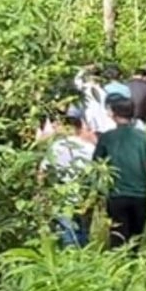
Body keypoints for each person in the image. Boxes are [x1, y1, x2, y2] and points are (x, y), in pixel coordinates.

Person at [92, 94, 146, 251]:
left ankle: (118, 272)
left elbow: (96, 167)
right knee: (135, 242)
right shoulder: (144, 138)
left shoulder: (106, 138)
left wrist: (96, 195)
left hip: (116, 196)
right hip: (139, 196)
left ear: (113, 114)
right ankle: (133, 270)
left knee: (117, 240)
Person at [38, 104, 96, 247]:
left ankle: (70, 261)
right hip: (84, 196)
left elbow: (43, 172)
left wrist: (41, 193)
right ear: (81, 124)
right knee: (83, 233)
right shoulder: (90, 148)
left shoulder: (56, 147)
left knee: (68, 235)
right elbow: (97, 177)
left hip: (61, 196)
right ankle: (84, 261)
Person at [75, 65, 116, 135]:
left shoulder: (89, 88)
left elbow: (77, 81)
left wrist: (83, 69)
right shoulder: (101, 90)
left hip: (98, 123)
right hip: (101, 123)